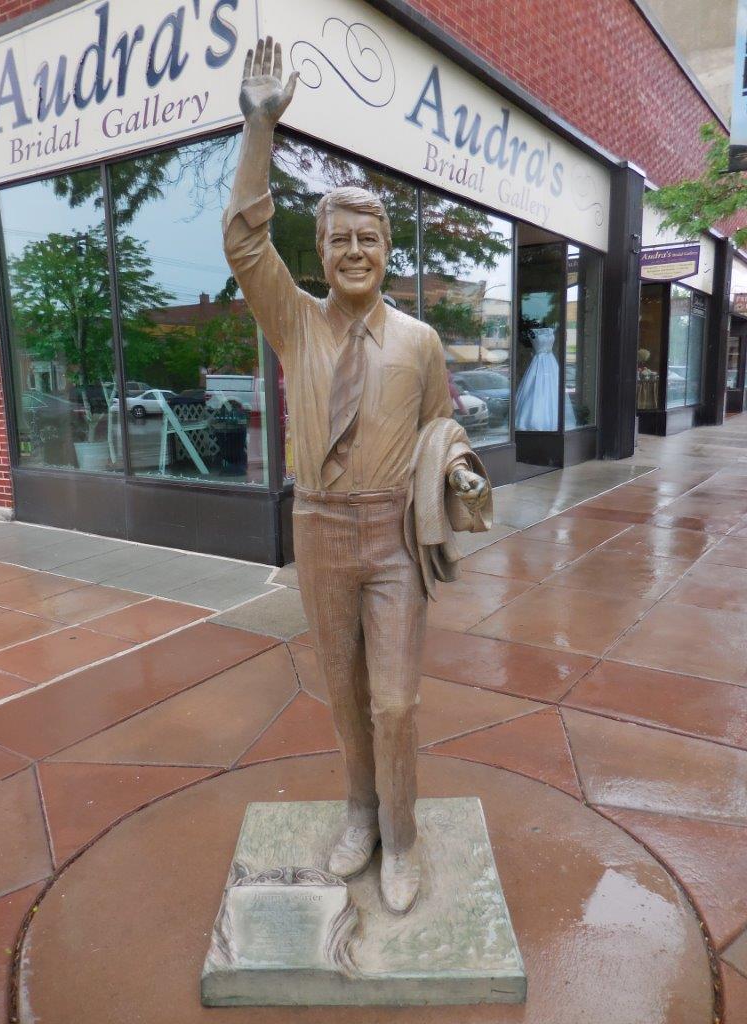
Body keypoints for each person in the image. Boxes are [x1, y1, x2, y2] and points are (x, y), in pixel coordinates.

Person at [223, 38, 490, 914]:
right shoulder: (296, 322)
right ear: (322, 250)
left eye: (367, 238)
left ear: (387, 249)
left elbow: (441, 425)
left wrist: (459, 466)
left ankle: (403, 836)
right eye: (336, 239)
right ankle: (361, 811)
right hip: (321, 531)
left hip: (391, 540)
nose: (352, 250)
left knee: (398, 703)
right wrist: (261, 127)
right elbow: (242, 242)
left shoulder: (417, 342)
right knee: (343, 696)